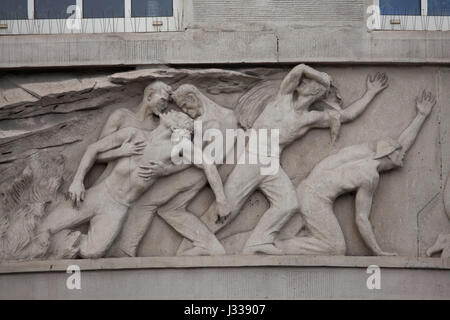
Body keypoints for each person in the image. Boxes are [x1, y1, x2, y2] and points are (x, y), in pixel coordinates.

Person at [178, 64, 390, 255]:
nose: (303, 83)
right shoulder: (284, 97)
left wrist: (370, 92)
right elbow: (298, 69)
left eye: (309, 83)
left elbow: (347, 115)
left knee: (288, 204)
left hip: (271, 164)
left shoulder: (309, 118)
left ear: (316, 92)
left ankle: (258, 241)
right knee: (227, 207)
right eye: (306, 81)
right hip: (253, 159)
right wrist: (322, 77)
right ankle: (193, 243)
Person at [40, 111, 229, 258]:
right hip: (99, 194)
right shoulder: (133, 135)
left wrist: (221, 199)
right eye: (176, 113)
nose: (173, 112)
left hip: (118, 208)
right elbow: (93, 149)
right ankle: (41, 244)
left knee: (92, 252)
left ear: (178, 128)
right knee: (46, 226)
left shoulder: (176, 148)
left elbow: (207, 164)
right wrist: (77, 181)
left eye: (179, 116)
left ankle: (59, 244)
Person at [275, 90, 436, 256]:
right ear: (388, 153)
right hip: (315, 200)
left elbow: (399, 145)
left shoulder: (367, 151)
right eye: (399, 152)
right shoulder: (370, 176)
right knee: (335, 248)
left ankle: (279, 243)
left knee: (297, 234)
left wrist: (421, 116)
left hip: (304, 190)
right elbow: (361, 218)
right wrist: (377, 251)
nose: (403, 154)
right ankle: (277, 247)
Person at [107, 84, 239, 257]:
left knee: (145, 202)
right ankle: (209, 245)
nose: (185, 111)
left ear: (193, 98)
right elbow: (193, 156)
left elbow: (208, 161)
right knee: (170, 209)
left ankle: (125, 251)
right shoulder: (200, 122)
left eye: (185, 106)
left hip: (199, 173)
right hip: (198, 170)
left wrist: (166, 170)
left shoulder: (225, 118)